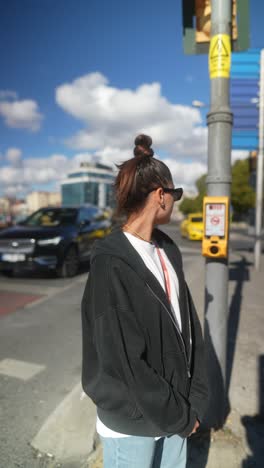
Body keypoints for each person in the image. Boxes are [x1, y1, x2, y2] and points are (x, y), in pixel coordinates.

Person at [81, 134, 209, 468]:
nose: (175, 202)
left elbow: (189, 333)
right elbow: (124, 361)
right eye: (175, 194)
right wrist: (182, 416)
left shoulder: (168, 249)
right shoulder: (110, 263)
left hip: (175, 412)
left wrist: (192, 403)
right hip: (133, 422)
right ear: (160, 195)